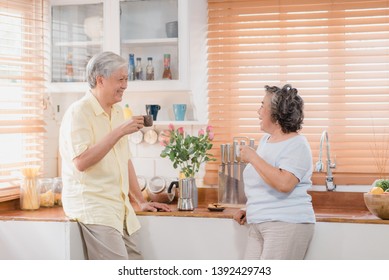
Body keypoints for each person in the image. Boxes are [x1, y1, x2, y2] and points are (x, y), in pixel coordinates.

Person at [59, 51, 171, 260]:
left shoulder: (117, 111)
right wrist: (119, 131)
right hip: (94, 207)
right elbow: (81, 162)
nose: (125, 85)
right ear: (100, 80)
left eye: (126, 79)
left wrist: (140, 200)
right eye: (120, 79)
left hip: (118, 207)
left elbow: (124, 160)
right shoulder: (79, 112)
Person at [233, 84, 315, 260]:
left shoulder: (297, 144)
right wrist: (252, 208)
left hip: (286, 222)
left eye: (263, 105)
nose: (258, 111)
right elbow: (265, 181)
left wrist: (253, 157)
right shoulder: (266, 141)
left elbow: (284, 183)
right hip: (260, 222)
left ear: (277, 115)